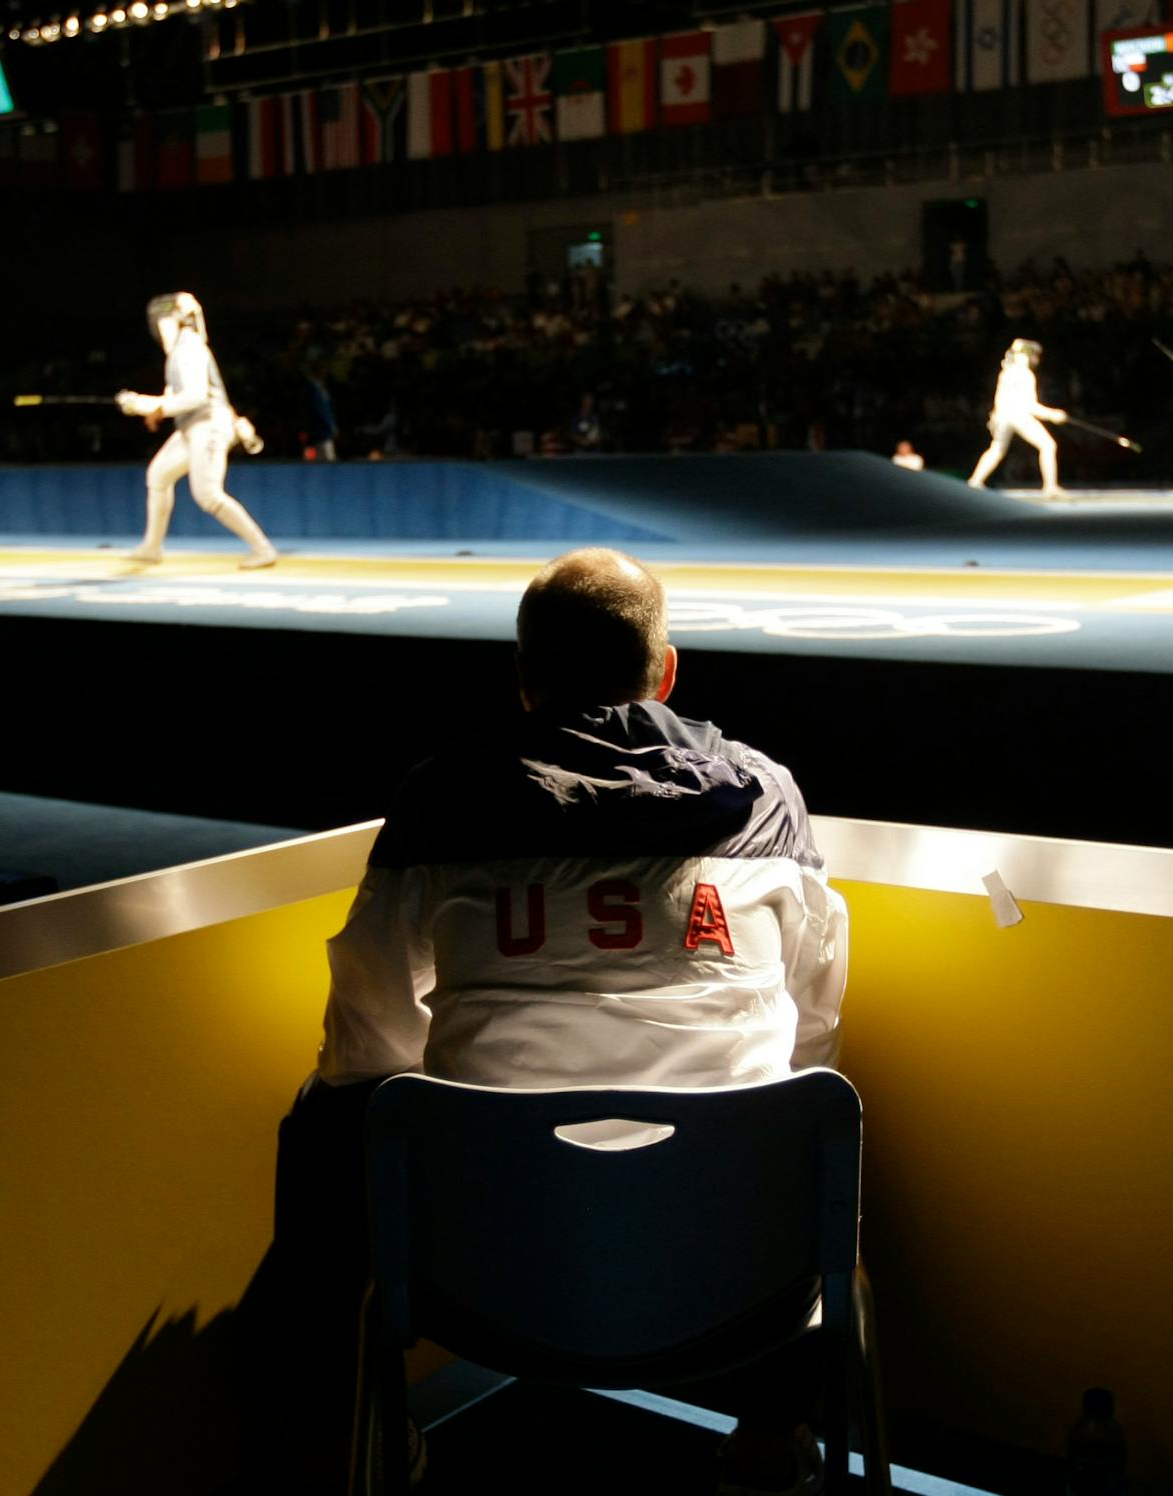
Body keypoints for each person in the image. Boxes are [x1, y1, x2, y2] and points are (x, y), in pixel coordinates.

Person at [261, 548, 850, 1494]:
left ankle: (349, 1451)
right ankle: (773, 1440)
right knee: (820, 1114)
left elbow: (365, 1039)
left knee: (327, 1116)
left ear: (525, 683)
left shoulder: (437, 801)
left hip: (481, 1283)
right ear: (665, 671)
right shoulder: (767, 800)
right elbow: (814, 1032)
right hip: (741, 1285)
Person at [115, 292, 277, 568]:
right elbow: (174, 400)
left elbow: (195, 397)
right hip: (192, 428)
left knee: (207, 494)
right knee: (158, 475)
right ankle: (152, 548)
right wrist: (140, 405)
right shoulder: (180, 350)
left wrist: (156, 409)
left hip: (210, 425)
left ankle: (263, 549)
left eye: (160, 319)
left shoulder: (189, 347)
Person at [968, 338, 1066, 497]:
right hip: (1018, 416)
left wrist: (995, 418)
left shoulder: (1006, 372)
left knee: (997, 449)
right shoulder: (1026, 374)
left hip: (1002, 417)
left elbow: (999, 401)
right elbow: (1030, 406)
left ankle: (974, 482)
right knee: (1048, 445)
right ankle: (1050, 487)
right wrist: (1053, 415)